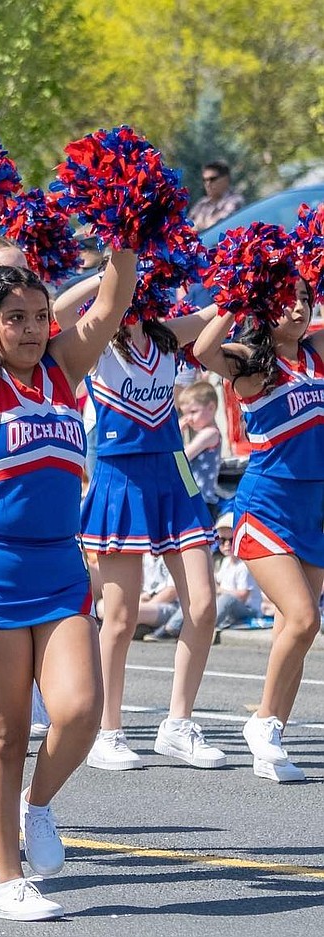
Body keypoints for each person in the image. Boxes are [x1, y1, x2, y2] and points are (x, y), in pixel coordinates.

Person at [0, 226, 136, 920]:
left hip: (57, 566)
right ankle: (7, 878)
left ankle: (38, 803)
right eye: (13, 317)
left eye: (37, 316)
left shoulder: (61, 370)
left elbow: (110, 306)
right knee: (3, 733)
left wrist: (126, 229)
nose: (29, 328)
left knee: (80, 709)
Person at [59, 301, 224, 772]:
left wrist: (247, 277)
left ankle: (177, 724)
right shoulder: (96, 336)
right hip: (120, 476)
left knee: (204, 604)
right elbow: (60, 311)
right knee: (121, 616)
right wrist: (110, 268)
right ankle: (106, 729)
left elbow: (220, 307)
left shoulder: (167, 334)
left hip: (174, 473)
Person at [193, 277, 324, 782]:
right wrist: (239, 292)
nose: (297, 307)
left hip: (313, 510)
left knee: (295, 631)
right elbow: (203, 348)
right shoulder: (252, 361)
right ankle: (263, 723)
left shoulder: (315, 355)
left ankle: (272, 737)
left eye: (305, 299)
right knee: (304, 618)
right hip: (266, 506)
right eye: (286, 299)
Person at [148, 512, 263, 637]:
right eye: (222, 540)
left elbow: (242, 595)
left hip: (248, 609)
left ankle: (201, 628)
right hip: (227, 607)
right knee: (200, 598)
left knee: (226, 599)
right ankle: (172, 627)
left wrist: (218, 590)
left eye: (231, 540)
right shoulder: (225, 562)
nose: (226, 545)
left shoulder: (243, 565)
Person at [177, 380, 223, 519]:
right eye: (185, 413)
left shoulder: (210, 433)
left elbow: (183, 457)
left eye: (193, 412)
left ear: (211, 407)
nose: (188, 418)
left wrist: (176, 432)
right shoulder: (203, 434)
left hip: (202, 500)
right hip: (194, 497)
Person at [188, 160, 245, 233]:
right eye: (205, 180)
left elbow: (220, 226)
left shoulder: (235, 200)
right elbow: (186, 228)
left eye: (212, 179)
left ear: (226, 179)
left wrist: (197, 227)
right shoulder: (201, 204)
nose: (207, 184)